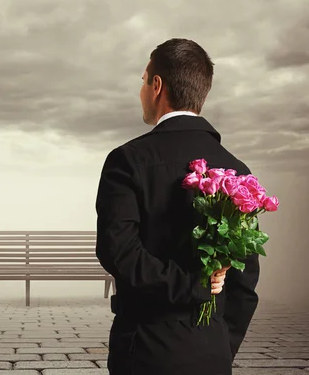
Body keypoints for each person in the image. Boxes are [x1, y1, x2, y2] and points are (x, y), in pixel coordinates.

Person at [95, 38, 260, 375]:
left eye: (143, 81)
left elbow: (119, 253)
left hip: (143, 349)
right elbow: (245, 277)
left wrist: (191, 286)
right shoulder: (237, 170)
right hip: (212, 350)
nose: (141, 89)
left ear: (157, 86)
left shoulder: (126, 161)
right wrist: (222, 346)